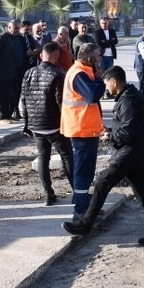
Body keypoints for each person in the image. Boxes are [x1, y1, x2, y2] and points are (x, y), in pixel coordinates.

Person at [63, 65, 144, 245]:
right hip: (134, 153)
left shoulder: (128, 101)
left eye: (106, 83)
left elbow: (129, 131)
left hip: (129, 153)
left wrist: (110, 136)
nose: (106, 88)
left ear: (114, 81)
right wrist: (111, 130)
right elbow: (127, 126)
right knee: (143, 194)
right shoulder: (127, 97)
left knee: (103, 181)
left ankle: (85, 225)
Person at [22, 41, 74, 206]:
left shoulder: (28, 73)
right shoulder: (58, 74)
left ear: (41, 55)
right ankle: (77, 192)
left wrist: (26, 124)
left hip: (36, 124)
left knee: (43, 158)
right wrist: (67, 123)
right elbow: (61, 102)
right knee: (67, 156)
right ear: (57, 56)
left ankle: (48, 195)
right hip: (54, 124)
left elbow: (23, 100)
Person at [62, 43, 105, 221]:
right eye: (98, 55)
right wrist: (101, 79)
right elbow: (93, 95)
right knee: (83, 170)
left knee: (85, 169)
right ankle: (80, 210)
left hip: (85, 128)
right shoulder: (79, 73)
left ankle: (84, 203)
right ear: (89, 58)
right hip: (81, 129)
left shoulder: (83, 70)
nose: (100, 58)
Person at [0, 21, 25, 122]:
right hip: (4, 71)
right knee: (4, 94)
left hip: (17, 71)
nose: (17, 30)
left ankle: (9, 113)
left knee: (14, 94)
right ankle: (3, 114)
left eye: (18, 28)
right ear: (9, 28)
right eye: (15, 28)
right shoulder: (2, 38)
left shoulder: (20, 38)